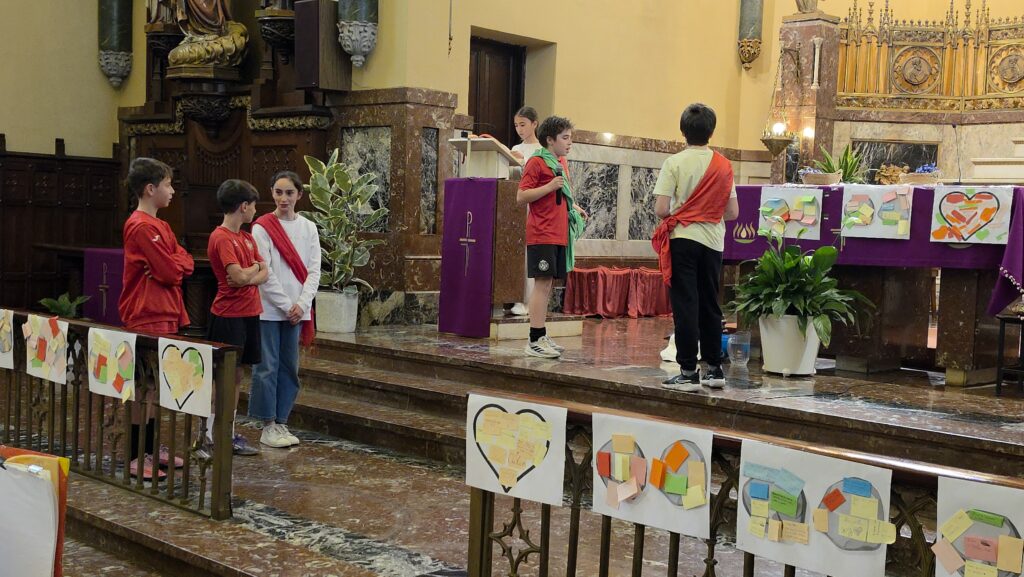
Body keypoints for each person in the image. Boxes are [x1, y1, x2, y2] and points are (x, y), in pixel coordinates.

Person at [652, 103, 739, 391]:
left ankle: (688, 371)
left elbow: (661, 208)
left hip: (683, 240)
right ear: (711, 132)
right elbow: (732, 212)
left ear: (683, 131)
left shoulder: (674, 163)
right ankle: (715, 370)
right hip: (713, 242)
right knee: (710, 304)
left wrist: (685, 213)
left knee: (686, 304)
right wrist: (706, 212)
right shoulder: (724, 166)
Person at [119, 157, 193, 480]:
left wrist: (174, 263)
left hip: (166, 311)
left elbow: (185, 262)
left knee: (155, 386)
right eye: (168, 185)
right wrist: (173, 265)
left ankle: (151, 448)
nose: (172, 191)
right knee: (143, 385)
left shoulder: (161, 226)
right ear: (150, 189)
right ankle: (137, 454)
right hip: (147, 312)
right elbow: (168, 272)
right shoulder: (141, 226)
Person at [249, 171, 321, 448]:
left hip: (297, 310)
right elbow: (265, 272)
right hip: (269, 309)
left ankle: (282, 421)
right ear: (272, 193)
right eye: (278, 192)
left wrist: (302, 304)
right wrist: (286, 304)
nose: (283, 198)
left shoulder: (308, 227)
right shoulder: (262, 228)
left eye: (289, 193)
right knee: (266, 367)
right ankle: (267, 424)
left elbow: (314, 270)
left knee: (290, 367)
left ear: (299, 195)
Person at [516, 116, 587, 359]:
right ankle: (534, 339)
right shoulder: (536, 162)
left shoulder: (559, 162)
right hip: (542, 232)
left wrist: (573, 207)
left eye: (570, 138)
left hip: (558, 232)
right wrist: (549, 187)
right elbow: (521, 196)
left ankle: (541, 334)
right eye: (565, 138)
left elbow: (559, 194)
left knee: (548, 286)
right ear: (550, 140)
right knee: (542, 284)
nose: (569, 143)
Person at [206, 179, 267, 455]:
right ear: (243, 206)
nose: (255, 210)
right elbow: (239, 276)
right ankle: (210, 433)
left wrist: (250, 272)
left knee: (238, 375)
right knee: (222, 377)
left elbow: (264, 273)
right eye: (253, 206)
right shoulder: (221, 237)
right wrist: (253, 270)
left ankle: (228, 432)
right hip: (228, 315)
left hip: (250, 313)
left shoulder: (247, 237)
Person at [508, 106, 542, 317]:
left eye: (523, 124)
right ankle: (514, 295)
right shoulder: (514, 148)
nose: (519, 129)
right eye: (516, 125)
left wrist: (525, 163)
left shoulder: (541, 150)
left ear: (534, 124)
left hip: (534, 205)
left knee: (530, 254)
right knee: (517, 252)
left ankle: (528, 301)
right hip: (517, 205)